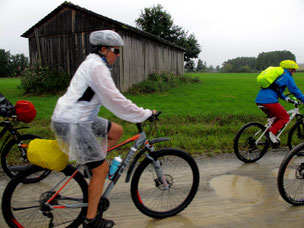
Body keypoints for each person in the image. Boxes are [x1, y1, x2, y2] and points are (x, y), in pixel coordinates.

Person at [51, 30, 155, 228]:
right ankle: (91, 220)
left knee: (116, 131)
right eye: (115, 51)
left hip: (78, 117)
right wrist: (145, 113)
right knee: (100, 171)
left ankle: (93, 167)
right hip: (74, 122)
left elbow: (112, 100)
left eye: (118, 51)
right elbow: (115, 100)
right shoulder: (97, 67)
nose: (117, 55)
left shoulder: (94, 63)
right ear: (103, 49)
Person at [255, 60, 304, 147]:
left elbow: (276, 90)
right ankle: (272, 134)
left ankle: (268, 134)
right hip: (270, 101)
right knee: (285, 117)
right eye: (294, 70)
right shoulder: (287, 76)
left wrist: (286, 98)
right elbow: (295, 90)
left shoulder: (277, 76)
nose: (294, 72)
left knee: (276, 117)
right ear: (290, 69)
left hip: (259, 100)